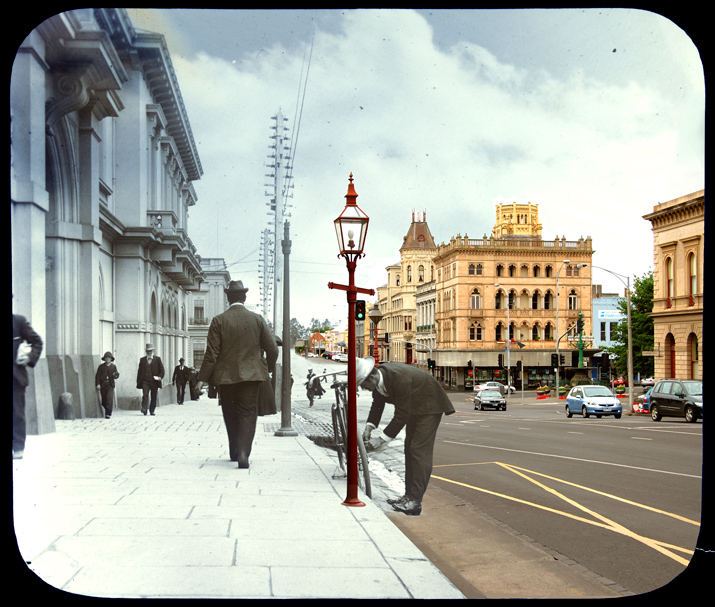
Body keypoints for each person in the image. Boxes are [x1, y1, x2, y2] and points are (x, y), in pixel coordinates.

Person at [357, 356, 455, 516]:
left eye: (363, 385)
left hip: (430, 406)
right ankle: (408, 497)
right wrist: (369, 427)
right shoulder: (380, 379)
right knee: (409, 449)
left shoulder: (398, 378)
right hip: (415, 407)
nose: (363, 389)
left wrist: (381, 439)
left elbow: (401, 415)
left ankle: (415, 501)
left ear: (372, 377)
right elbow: (377, 405)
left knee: (418, 450)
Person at [196, 280, 278, 469]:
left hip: (226, 377)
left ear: (228, 299)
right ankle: (243, 452)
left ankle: (234, 450)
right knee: (248, 413)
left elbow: (211, 354)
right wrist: (268, 368)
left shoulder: (219, 320)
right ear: (244, 297)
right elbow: (272, 349)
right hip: (252, 377)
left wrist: (201, 379)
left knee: (230, 413)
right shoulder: (257, 319)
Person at [13, 313, 43, 459]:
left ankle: (18, 448)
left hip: (15, 378)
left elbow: (37, 341)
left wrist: (29, 358)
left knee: (16, 413)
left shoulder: (18, 321)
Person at [136, 343, 164, 416]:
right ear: (146, 352)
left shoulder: (157, 359)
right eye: (148, 351)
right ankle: (144, 409)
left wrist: (160, 377)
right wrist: (138, 381)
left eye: (150, 351)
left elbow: (162, 370)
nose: (149, 353)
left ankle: (152, 410)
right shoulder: (142, 360)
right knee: (145, 395)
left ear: (153, 351)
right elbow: (139, 371)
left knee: (153, 396)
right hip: (145, 381)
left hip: (154, 381)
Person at [95, 352, 120, 419]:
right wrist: (98, 384)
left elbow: (116, 375)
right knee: (104, 400)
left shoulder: (113, 366)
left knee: (109, 398)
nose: (107, 359)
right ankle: (106, 409)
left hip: (110, 385)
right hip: (103, 385)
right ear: (104, 359)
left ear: (111, 359)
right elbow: (97, 376)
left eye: (109, 358)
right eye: (106, 358)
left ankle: (108, 413)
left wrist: (116, 375)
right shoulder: (101, 367)